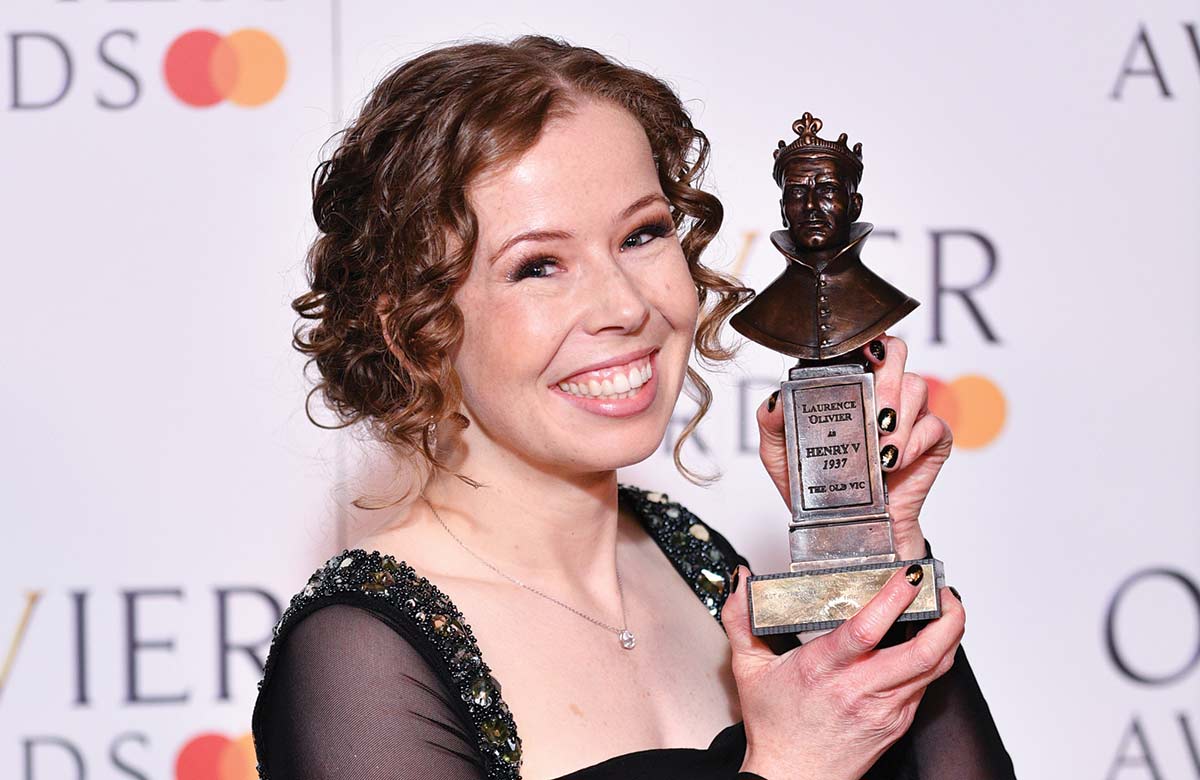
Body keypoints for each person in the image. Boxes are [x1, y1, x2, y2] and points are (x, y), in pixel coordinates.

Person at [251, 35, 1016, 780]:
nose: (624, 306)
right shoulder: (361, 657)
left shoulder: (699, 561)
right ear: (412, 326)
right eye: (538, 266)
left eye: (642, 234)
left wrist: (882, 546)